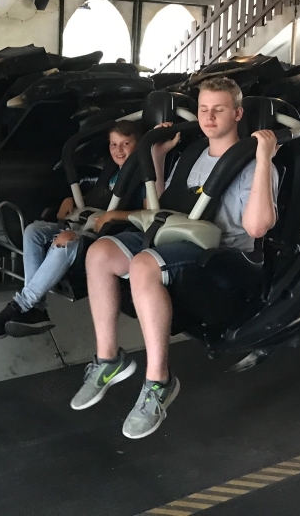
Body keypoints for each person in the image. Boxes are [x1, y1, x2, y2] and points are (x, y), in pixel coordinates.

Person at [71, 78, 279, 439]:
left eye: (219, 109)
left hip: (223, 256)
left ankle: (159, 382)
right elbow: (171, 205)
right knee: (100, 253)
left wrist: (262, 160)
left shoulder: (253, 164)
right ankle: (108, 360)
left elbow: (258, 228)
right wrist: (159, 155)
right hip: (180, 235)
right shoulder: (195, 153)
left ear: (238, 113)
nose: (209, 117)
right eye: (203, 110)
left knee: (144, 263)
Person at [0, 120, 146, 338]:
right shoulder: (111, 171)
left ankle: (20, 307)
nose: (119, 150)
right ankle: (36, 308)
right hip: (88, 223)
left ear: (138, 145)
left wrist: (114, 215)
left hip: (113, 235)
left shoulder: (144, 175)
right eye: (113, 145)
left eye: (125, 144)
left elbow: (148, 213)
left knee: (66, 238)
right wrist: (72, 200)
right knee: (33, 230)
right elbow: (99, 197)